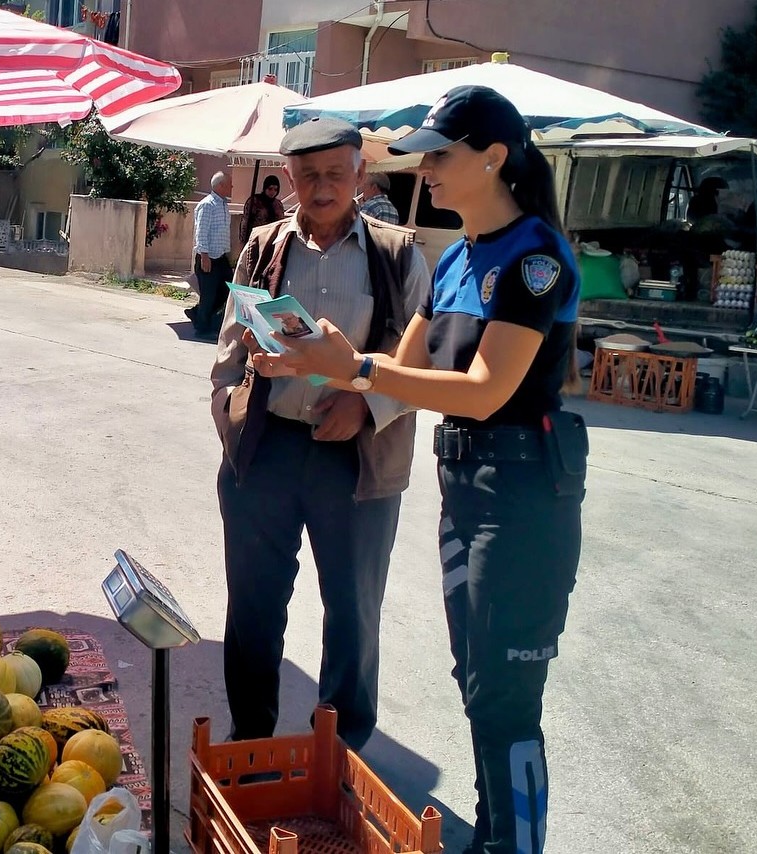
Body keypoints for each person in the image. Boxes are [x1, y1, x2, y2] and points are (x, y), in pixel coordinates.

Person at [252, 86, 588, 854]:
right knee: (476, 687)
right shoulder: (458, 258)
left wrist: (359, 368)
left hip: (525, 492)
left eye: (441, 153)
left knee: (506, 699)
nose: (425, 168)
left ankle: (513, 846)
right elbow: (399, 371)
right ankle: (489, 841)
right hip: (463, 488)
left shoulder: (533, 259)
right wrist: (315, 359)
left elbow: (485, 389)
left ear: (494, 157)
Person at [209, 116, 429, 752]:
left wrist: (365, 406)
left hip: (357, 457)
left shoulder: (397, 253)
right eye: (309, 176)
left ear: (361, 175)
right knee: (252, 605)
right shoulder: (263, 245)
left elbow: (419, 357)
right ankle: (249, 736)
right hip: (268, 446)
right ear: (289, 180)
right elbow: (232, 336)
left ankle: (340, 747)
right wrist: (229, 404)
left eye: (337, 173)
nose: (323, 186)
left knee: (354, 610)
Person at [188, 171, 234, 338]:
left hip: (221, 256)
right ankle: (202, 328)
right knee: (209, 295)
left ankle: (198, 313)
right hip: (208, 257)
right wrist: (204, 256)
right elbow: (201, 232)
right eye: (229, 184)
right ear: (220, 186)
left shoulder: (222, 204)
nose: (232, 187)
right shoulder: (207, 205)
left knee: (228, 288)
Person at [240, 175, 286, 244]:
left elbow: (282, 223)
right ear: (265, 188)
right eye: (270, 189)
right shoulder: (254, 201)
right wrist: (243, 241)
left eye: (275, 189)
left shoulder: (278, 204)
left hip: (273, 241)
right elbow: (245, 222)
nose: (273, 192)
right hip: (256, 240)